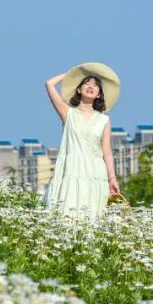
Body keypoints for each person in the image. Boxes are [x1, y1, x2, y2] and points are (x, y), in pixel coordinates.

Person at [42, 62, 122, 219]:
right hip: (71, 170)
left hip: (95, 173)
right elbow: (49, 84)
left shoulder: (104, 120)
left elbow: (107, 152)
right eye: (86, 83)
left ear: (99, 94)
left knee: (91, 216)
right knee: (66, 213)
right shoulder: (68, 113)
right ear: (78, 89)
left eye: (95, 85)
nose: (91, 86)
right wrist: (74, 73)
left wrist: (112, 179)